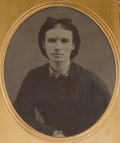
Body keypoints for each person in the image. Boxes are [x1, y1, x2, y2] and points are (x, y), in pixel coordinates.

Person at [13, 17, 111, 137]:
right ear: (43, 44)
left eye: (64, 41)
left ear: (73, 45)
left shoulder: (90, 80)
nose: (57, 47)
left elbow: (108, 119)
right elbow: (20, 115)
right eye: (51, 40)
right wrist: (51, 132)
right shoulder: (34, 77)